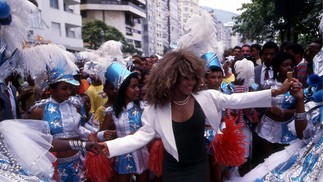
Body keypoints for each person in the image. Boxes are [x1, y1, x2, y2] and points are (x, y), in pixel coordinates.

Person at [98, 49, 294, 182]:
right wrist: (108, 147)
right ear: (171, 79)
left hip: (198, 165)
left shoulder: (207, 97)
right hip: (172, 168)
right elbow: (141, 137)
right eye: (185, 77)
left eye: (193, 77)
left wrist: (276, 92)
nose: (191, 82)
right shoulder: (156, 108)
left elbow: (237, 100)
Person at [21, 44, 102, 182]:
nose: (68, 92)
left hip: (77, 163)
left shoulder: (75, 105)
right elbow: (35, 142)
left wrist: (98, 135)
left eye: (70, 88)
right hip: (54, 168)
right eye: (64, 88)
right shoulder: (40, 110)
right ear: (51, 88)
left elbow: (79, 130)